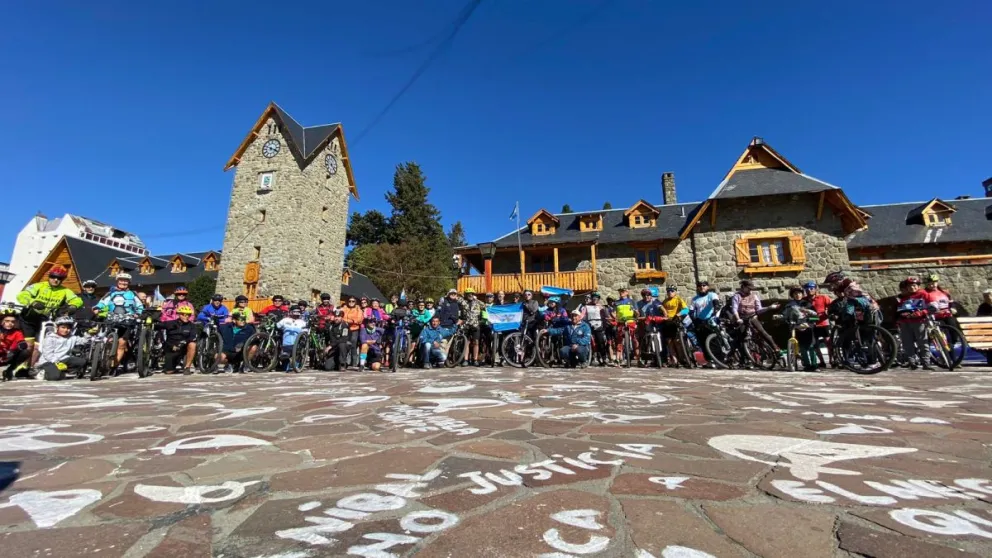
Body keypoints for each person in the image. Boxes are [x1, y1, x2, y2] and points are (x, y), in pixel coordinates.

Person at [16, 265, 82, 367]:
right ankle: (19, 367)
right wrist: (33, 302)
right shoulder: (38, 286)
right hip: (29, 319)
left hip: (44, 321)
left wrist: (73, 306)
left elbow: (77, 300)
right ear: (49, 276)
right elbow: (22, 295)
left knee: (39, 347)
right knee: (29, 346)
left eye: (59, 278)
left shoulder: (65, 291)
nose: (56, 280)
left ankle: (29, 368)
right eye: (53, 277)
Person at [94, 272, 144, 371]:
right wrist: (97, 308)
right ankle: (103, 359)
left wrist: (137, 313)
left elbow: (139, 306)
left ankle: (114, 365)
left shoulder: (133, 294)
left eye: (126, 281)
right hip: (112, 318)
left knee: (122, 343)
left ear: (129, 282)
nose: (123, 282)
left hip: (127, 320)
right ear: (117, 281)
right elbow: (102, 303)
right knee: (108, 340)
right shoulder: (110, 293)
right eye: (121, 280)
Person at [730, 280, 780, 352]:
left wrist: (769, 307)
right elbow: (734, 309)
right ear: (743, 287)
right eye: (749, 288)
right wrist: (738, 319)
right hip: (742, 318)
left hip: (752, 317)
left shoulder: (754, 296)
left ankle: (775, 348)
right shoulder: (737, 296)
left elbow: (759, 310)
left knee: (762, 332)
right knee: (741, 337)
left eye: (751, 289)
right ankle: (742, 357)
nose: (750, 290)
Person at [895, 277, 932, 370]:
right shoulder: (903, 297)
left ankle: (926, 363)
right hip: (905, 323)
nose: (912, 288)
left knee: (923, 343)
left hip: (919, 322)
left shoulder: (924, 294)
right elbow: (899, 310)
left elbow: (931, 307)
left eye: (914, 286)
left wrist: (920, 313)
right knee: (907, 343)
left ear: (918, 286)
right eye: (910, 286)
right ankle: (912, 362)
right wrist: (901, 315)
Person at [35, 316, 87, 381]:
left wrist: (89, 334)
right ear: (57, 327)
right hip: (49, 361)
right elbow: (48, 355)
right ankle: (43, 372)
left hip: (63, 359)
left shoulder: (72, 337)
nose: (66, 330)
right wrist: (58, 363)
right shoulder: (50, 338)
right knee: (54, 377)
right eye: (63, 327)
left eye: (68, 328)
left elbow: (84, 341)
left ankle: (60, 371)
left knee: (82, 362)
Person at [782, 286, 820, 370]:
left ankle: (814, 364)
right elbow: (785, 315)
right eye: (795, 293)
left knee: (811, 346)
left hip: (808, 326)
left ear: (802, 294)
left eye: (799, 293)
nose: (797, 295)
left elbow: (815, 315)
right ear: (792, 295)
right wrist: (780, 317)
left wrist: (809, 315)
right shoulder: (789, 306)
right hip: (796, 326)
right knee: (802, 347)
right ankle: (806, 364)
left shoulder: (807, 304)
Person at [158, 305, 198, 375]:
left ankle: (187, 367)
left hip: (183, 347)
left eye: (188, 315)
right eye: (184, 314)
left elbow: (193, 337)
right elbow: (157, 326)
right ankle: (173, 365)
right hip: (171, 348)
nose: (186, 316)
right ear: (179, 314)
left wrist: (184, 343)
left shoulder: (192, 326)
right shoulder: (170, 323)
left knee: (193, 344)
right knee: (169, 372)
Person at [660, 285, 689, 366]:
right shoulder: (665, 301)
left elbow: (686, 309)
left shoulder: (678, 299)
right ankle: (674, 359)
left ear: (675, 292)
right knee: (669, 342)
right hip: (666, 322)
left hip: (675, 321)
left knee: (677, 342)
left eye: (672, 291)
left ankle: (681, 359)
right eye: (668, 291)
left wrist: (678, 315)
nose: (670, 292)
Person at [0, 310, 29, 381]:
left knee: (25, 352)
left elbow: (22, 343)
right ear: (1, 321)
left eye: (13, 322)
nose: (10, 323)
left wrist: (19, 347)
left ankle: (9, 371)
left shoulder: (17, 332)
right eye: (7, 321)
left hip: (7, 356)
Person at [459, 288, 486, 366]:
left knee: (476, 342)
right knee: (466, 342)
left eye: (472, 293)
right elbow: (456, 298)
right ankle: (466, 360)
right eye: (468, 294)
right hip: (466, 325)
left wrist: (476, 299)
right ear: (466, 295)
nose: (470, 295)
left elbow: (485, 306)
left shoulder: (477, 302)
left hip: (475, 324)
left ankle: (475, 359)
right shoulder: (463, 302)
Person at [276, 307, 307, 371]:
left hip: (297, 344)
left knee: (295, 365)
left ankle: (297, 362)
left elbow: (305, 332)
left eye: (298, 312)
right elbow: (277, 326)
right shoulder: (285, 320)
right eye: (294, 312)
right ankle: (285, 363)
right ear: (290, 312)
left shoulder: (302, 322)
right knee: (285, 368)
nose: (296, 313)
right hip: (286, 344)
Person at [583, 292, 609, 366]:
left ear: (598, 299)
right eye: (593, 298)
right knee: (589, 342)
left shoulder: (601, 307)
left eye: (596, 298)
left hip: (599, 325)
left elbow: (604, 317)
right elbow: (583, 315)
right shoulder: (587, 306)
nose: (595, 299)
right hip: (589, 325)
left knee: (600, 342)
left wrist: (604, 327)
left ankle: (603, 358)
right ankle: (589, 358)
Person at [341, 297, 364, 368]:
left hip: (354, 329)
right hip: (345, 329)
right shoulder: (344, 308)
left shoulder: (358, 309)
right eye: (349, 301)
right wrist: (346, 321)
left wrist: (352, 321)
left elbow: (359, 319)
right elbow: (339, 316)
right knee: (344, 344)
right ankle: (344, 361)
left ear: (355, 302)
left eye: (353, 301)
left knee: (353, 345)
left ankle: (354, 362)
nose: (351, 302)